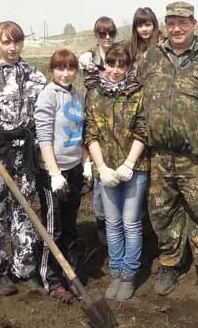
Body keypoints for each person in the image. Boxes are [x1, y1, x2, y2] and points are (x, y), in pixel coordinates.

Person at [138, 1, 198, 301]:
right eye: (171, 22)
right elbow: (138, 101)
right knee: (163, 213)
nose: (177, 28)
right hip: (159, 155)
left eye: (183, 22)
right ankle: (170, 263)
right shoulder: (151, 57)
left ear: (194, 24)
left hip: (197, 156)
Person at [0, 21, 47, 296]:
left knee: (24, 211)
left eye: (16, 41)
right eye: (6, 42)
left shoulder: (33, 74)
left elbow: (44, 113)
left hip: (24, 155)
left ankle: (23, 269)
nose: (12, 47)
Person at [83, 44, 149, 301]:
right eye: (112, 64)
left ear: (129, 67)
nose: (116, 70)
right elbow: (90, 132)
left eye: (122, 65)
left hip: (134, 169)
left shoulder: (137, 93)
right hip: (106, 169)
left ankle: (130, 273)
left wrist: (130, 163)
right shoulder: (94, 95)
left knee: (131, 222)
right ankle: (116, 271)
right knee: (112, 223)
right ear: (105, 64)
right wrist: (101, 167)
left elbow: (142, 130)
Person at [34, 48, 89, 296]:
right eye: (60, 68)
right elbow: (44, 137)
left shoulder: (78, 95)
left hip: (74, 168)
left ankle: (70, 273)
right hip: (53, 175)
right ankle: (51, 277)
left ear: (76, 71)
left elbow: (83, 134)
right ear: (51, 70)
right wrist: (54, 173)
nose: (65, 73)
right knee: (52, 227)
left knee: (69, 225)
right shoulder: (48, 96)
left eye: (70, 68)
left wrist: (86, 163)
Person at [78, 17, 117, 245]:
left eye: (111, 33)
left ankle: (120, 220)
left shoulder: (119, 56)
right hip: (95, 114)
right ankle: (102, 220)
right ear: (96, 35)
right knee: (99, 169)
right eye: (102, 34)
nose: (107, 38)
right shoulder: (88, 59)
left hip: (117, 115)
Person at [126, 7, 162, 81]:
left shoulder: (164, 44)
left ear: (154, 25)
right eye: (140, 26)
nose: (144, 29)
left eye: (147, 25)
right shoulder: (130, 47)